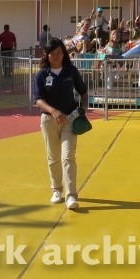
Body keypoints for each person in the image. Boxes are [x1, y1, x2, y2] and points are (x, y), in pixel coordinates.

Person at [33, 38, 87, 210]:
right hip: (49, 120)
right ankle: (56, 189)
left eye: (59, 53)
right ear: (47, 55)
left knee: (68, 156)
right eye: (52, 53)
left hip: (70, 119)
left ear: (64, 54)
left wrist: (82, 109)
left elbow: (83, 91)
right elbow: (38, 99)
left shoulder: (71, 71)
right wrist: (53, 111)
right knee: (53, 157)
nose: (56, 56)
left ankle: (71, 195)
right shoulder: (42, 74)